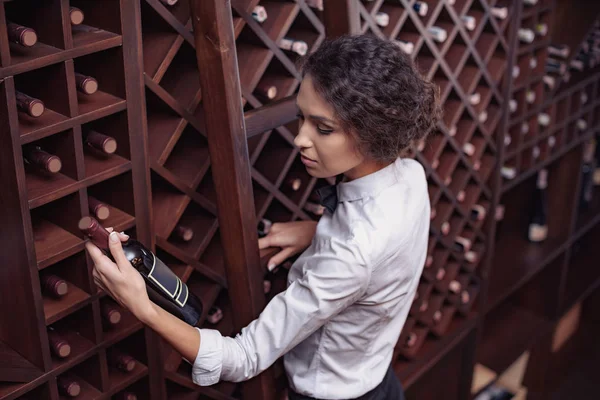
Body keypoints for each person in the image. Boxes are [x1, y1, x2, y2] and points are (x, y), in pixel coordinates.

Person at [85, 34, 440, 400]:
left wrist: (141, 306)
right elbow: (383, 252)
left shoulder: (351, 255)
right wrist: (318, 230)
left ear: (374, 131)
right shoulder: (410, 176)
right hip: (382, 382)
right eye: (301, 118)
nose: (299, 139)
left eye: (323, 128)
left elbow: (242, 357)